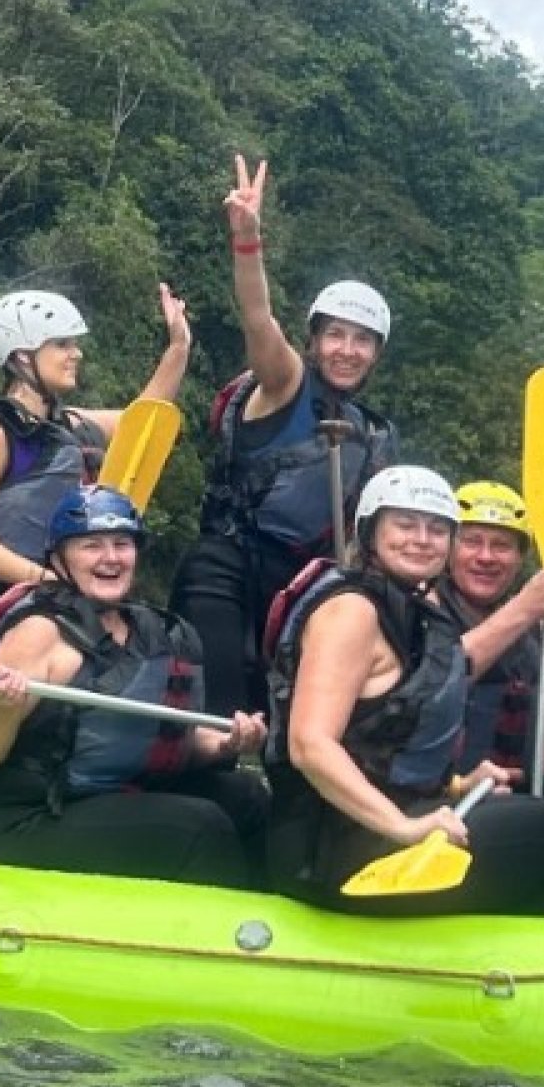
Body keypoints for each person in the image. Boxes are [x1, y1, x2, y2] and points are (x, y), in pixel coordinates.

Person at [264, 465, 544, 916]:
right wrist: (404, 827)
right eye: (405, 524)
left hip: (378, 829)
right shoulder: (352, 611)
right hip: (336, 851)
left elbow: (386, 736)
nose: (422, 539)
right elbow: (310, 745)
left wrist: (460, 784)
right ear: (370, 532)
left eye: (437, 528)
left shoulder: (411, 617)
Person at [0, 485, 268, 886]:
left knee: (246, 796)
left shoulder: (159, 633)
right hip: (36, 814)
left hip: (121, 793)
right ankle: (229, 934)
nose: (110, 558)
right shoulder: (39, 631)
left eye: (122, 544)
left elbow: (176, 744)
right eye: (91, 545)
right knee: (199, 826)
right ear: (59, 559)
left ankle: (280, 917)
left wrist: (228, 743)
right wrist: (4, 708)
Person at [168, 153, 397, 714]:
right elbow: (256, 316)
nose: (347, 350)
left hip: (301, 588)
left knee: (297, 729)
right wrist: (247, 241)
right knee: (219, 719)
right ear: (314, 341)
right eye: (336, 335)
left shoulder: (374, 435)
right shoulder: (284, 381)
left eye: (362, 341)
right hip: (227, 570)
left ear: (376, 355)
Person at [0, 283, 191, 746]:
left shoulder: (67, 424)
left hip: (51, 611)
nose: (76, 354)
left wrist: (178, 347)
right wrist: (42, 579)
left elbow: (146, 421)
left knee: (46, 745)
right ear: (21, 355)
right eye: (62, 344)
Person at [441, 479, 544, 783]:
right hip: (440, 804)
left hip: (510, 799)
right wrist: (526, 606)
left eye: (501, 546)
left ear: (519, 559)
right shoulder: (421, 611)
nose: (486, 557)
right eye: (472, 541)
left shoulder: (536, 629)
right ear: (448, 549)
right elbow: (438, 682)